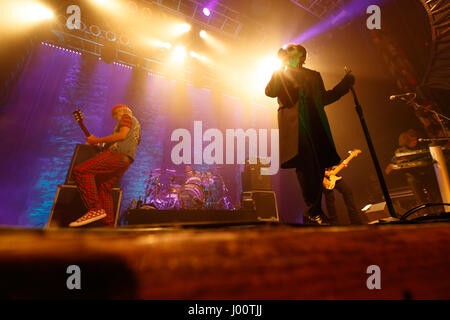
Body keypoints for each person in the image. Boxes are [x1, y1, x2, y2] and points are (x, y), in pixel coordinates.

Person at [265, 43, 355, 225]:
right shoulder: (281, 74)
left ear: (303, 57)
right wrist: (280, 68)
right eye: (288, 54)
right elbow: (270, 91)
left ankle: (313, 213)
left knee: (319, 166)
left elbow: (323, 98)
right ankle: (314, 212)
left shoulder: (313, 75)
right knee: (305, 166)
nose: (291, 56)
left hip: (315, 125)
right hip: (295, 127)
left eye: (295, 54)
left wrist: (343, 86)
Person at [69, 104, 141, 227]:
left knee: (81, 170)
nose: (117, 119)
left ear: (119, 112)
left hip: (118, 155)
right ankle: (108, 225)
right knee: (104, 187)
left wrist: (97, 140)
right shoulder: (136, 126)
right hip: (126, 160)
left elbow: (121, 135)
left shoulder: (126, 116)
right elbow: (128, 141)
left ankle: (95, 208)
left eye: (116, 116)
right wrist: (101, 145)